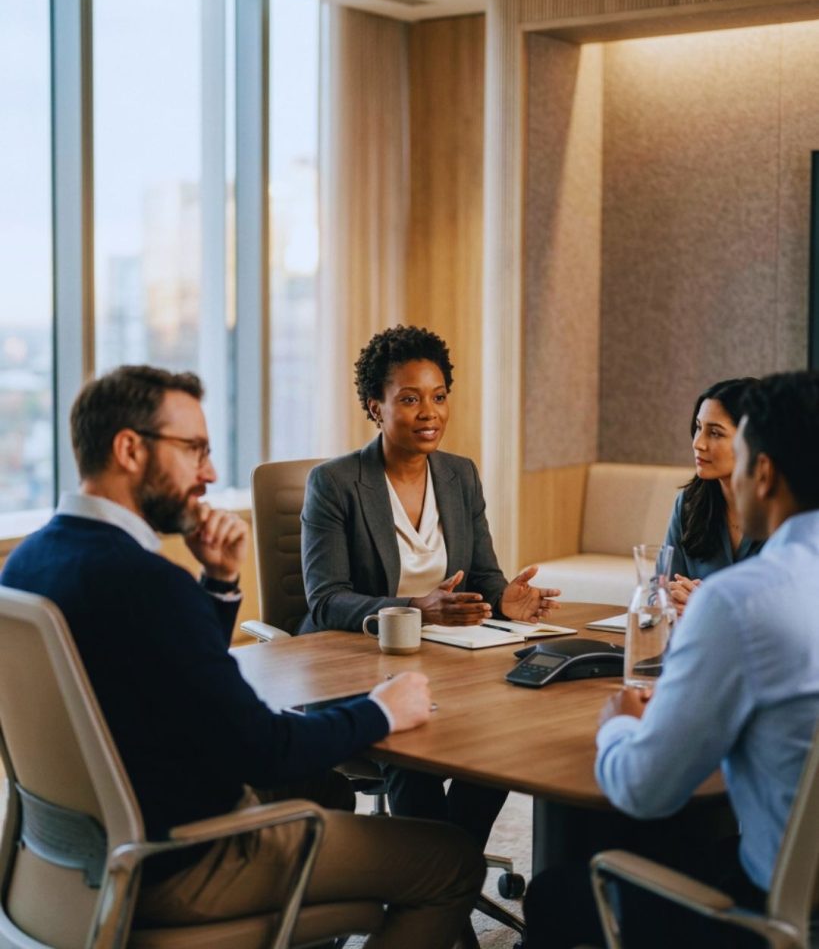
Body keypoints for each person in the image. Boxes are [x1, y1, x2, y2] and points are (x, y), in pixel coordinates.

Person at [1, 365, 486, 949]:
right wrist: (382, 711)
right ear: (129, 449)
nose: (209, 473)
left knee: (325, 786)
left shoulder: (28, 565)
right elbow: (265, 752)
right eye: (194, 450)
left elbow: (170, 680)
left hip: (74, 857)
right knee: (450, 860)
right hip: (189, 859)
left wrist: (219, 584)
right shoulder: (147, 583)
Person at [525, 370, 819, 949]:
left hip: (771, 910)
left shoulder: (741, 602)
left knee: (555, 894)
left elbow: (645, 789)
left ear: (762, 473)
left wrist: (619, 727)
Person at [301, 325, 560, 852]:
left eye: (439, 397)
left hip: (448, 665)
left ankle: (444, 881)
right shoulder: (334, 483)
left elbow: (484, 576)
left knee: (503, 739)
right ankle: (443, 894)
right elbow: (326, 600)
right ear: (375, 406)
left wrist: (507, 599)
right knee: (413, 751)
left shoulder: (459, 475)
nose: (430, 413)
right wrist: (417, 608)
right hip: (357, 664)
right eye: (410, 399)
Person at [664, 377, 764, 612]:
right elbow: (660, 589)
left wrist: (708, 605)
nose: (698, 443)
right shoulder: (689, 504)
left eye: (716, 433)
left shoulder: (787, 512)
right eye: (699, 428)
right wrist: (668, 600)